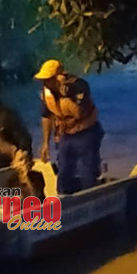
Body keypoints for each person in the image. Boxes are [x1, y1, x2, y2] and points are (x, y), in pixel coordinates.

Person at [35, 59, 104, 194]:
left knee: (88, 171)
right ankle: (64, 200)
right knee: (64, 171)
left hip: (86, 133)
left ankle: (89, 197)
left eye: (48, 79)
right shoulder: (47, 92)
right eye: (44, 80)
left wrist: (64, 93)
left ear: (59, 76)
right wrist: (45, 144)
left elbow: (79, 111)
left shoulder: (79, 86)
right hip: (65, 135)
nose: (45, 83)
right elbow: (46, 117)